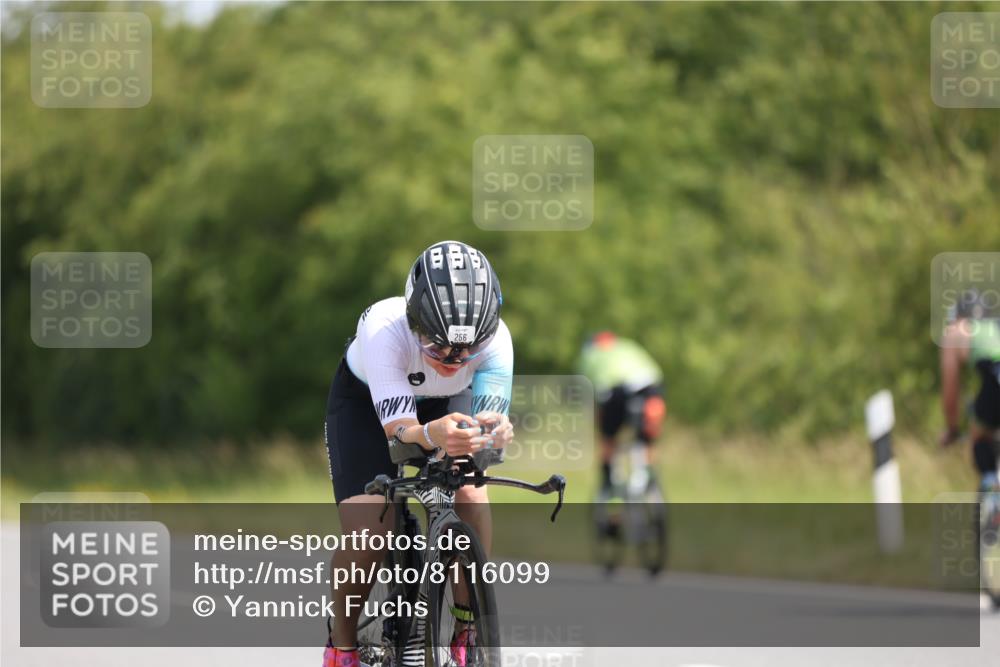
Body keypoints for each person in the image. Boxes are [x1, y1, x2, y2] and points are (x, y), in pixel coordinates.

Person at [323, 241, 514, 667]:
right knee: (370, 532)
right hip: (368, 410)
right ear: (413, 323)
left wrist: (493, 431)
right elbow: (400, 434)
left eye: (467, 351)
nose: (452, 359)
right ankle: (343, 645)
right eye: (437, 347)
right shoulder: (384, 329)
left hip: (447, 407)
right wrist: (433, 433)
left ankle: (467, 630)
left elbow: (487, 422)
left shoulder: (498, 340)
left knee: (471, 496)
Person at [577, 331, 666, 499]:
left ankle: (609, 479)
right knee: (646, 436)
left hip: (616, 391)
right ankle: (648, 472)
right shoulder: (627, 345)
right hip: (651, 387)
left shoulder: (589, 354)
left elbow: (586, 391)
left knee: (608, 437)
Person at [939, 288, 1000, 493]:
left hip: (995, 379)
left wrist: (952, 428)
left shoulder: (956, 331)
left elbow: (951, 392)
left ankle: (991, 491)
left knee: (980, 436)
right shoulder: (994, 324)